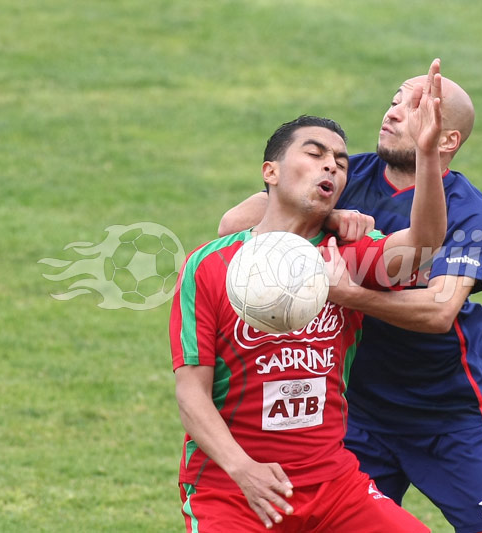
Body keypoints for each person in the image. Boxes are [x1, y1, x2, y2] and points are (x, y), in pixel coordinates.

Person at [219, 64, 482, 533]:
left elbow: (440, 310)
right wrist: (328, 212)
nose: (393, 113)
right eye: (395, 100)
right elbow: (234, 223)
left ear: (446, 141)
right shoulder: (344, 173)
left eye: (415, 108)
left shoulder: (467, 209)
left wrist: (347, 294)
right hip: (359, 414)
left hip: (451, 416)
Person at [169, 62, 446, 533]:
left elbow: (423, 246)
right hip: (231, 491)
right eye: (315, 154)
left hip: (334, 486)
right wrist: (244, 471)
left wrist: (426, 157)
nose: (330, 167)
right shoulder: (209, 265)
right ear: (270, 171)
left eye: (340, 163)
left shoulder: (348, 255)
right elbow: (191, 392)